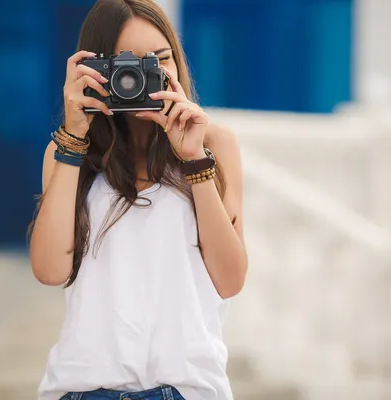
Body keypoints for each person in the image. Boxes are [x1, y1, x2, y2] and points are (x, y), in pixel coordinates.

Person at [29, 0, 247, 399]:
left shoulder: (215, 144)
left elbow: (229, 280)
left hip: (187, 390)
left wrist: (193, 159)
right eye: (124, 66)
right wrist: (74, 137)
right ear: (96, 72)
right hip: (83, 390)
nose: (142, 77)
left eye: (160, 59)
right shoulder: (67, 152)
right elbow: (49, 269)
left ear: (178, 61)